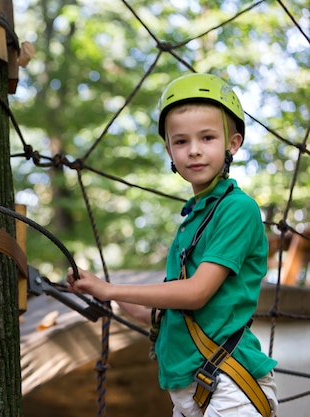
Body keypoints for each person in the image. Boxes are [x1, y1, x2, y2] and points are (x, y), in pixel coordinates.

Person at [67, 73, 277, 417]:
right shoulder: (192, 222)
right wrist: (102, 293)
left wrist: (111, 287)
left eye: (207, 137)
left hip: (228, 384)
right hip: (188, 387)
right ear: (169, 150)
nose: (193, 149)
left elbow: (196, 293)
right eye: (180, 142)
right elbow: (162, 314)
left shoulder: (237, 208)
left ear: (233, 143)